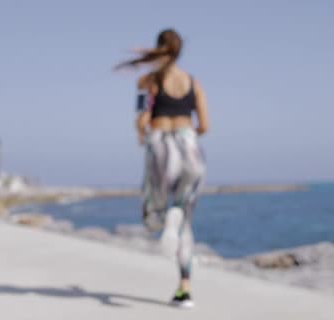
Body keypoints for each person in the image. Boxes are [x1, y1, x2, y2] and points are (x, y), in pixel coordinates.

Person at [114, 29, 209, 308]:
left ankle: (166, 217)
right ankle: (184, 290)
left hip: (160, 146)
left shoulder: (148, 81)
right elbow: (204, 125)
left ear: (158, 49)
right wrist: (189, 131)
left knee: (154, 210)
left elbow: (141, 120)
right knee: (185, 220)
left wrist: (140, 132)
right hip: (189, 145)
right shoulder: (193, 83)